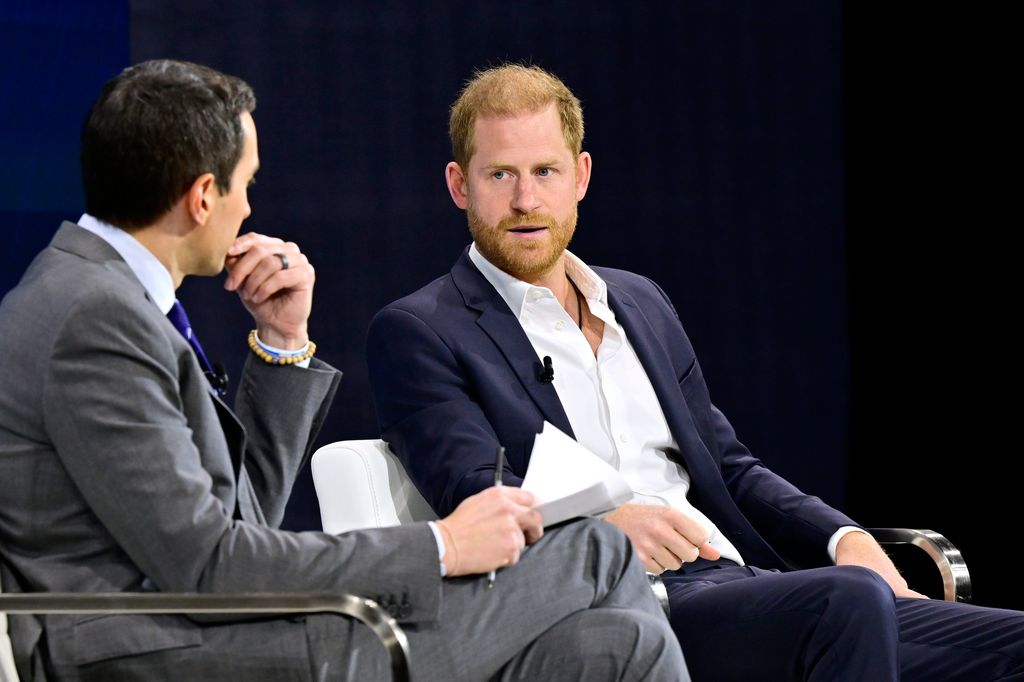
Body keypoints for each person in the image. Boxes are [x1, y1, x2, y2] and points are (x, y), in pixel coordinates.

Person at [0, 59, 687, 681]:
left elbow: (241, 523)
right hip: (145, 650)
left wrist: (283, 341)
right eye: (248, 184)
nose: (248, 207)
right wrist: (441, 545)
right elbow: (208, 566)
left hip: (195, 628)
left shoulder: (103, 299)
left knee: (616, 643)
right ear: (204, 195)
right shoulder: (94, 320)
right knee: (597, 553)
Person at [366, 63, 1024, 681]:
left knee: (1004, 642)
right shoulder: (421, 330)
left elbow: (730, 469)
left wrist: (843, 537)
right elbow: (475, 489)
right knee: (845, 606)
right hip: (624, 607)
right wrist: (604, 525)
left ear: (581, 176)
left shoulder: (640, 302)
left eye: (545, 170)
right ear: (460, 184)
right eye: (500, 175)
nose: (526, 199)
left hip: (744, 584)